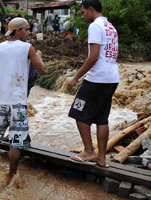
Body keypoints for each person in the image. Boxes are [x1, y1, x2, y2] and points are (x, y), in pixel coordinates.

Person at [0, 17, 46, 185]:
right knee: (15, 143)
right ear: (18, 31)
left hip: (1, 102)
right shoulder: (27, 48)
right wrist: (37, 55)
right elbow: (43, 70)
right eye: (27, 29)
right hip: (18, 102)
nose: (29, 32)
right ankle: (11, 175)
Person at [68, 0, 119, 168]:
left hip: (97, 78)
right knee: (101, 118)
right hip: (112, 78)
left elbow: (93, 56)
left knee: (78, 111)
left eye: (83, 12)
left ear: (91, 9)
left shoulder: (95, 26)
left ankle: (89, 151)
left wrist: (76, 77)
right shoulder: (110, 27)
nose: (82, 15)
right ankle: (101, 158)